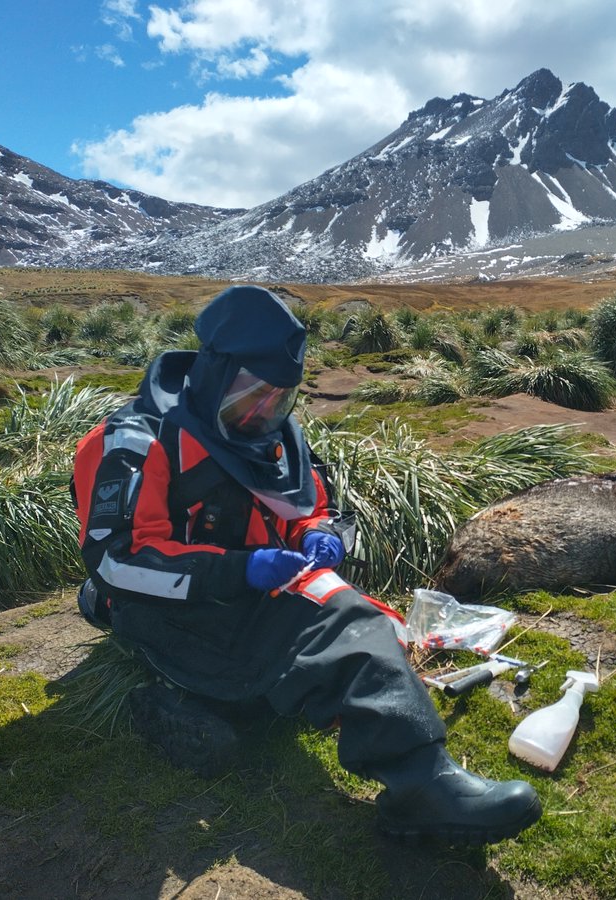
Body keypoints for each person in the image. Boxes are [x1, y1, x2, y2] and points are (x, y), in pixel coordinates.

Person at [71, 285, 541, 844]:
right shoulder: (132, 443)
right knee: (338, 615)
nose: (266, 410)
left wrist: (321, 534)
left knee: (352, 617)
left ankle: (219, 701)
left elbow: (317, 508)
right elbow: (116, 561)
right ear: (215, 372)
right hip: (164, 608)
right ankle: (422, 784)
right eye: (253, 393)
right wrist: (239, 569)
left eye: (281, 397)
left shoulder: (271, 435)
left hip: (244, 598)